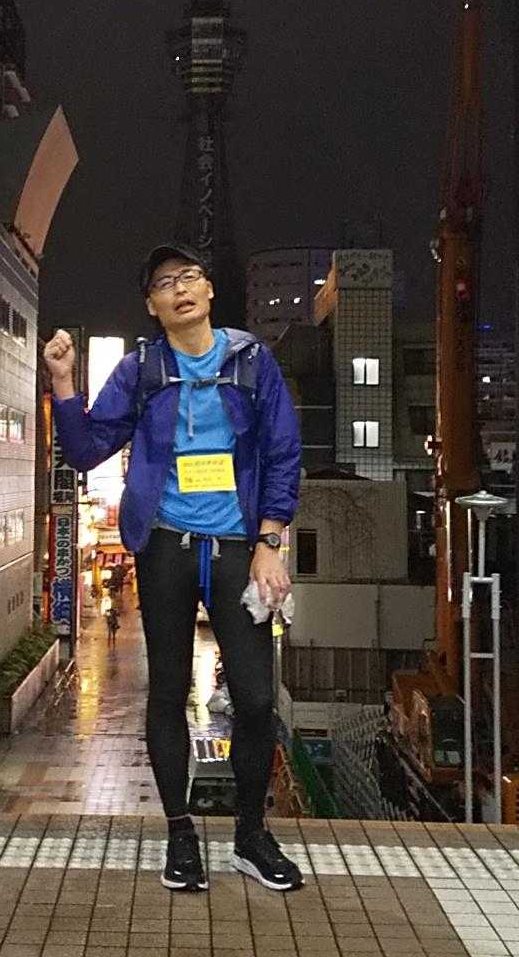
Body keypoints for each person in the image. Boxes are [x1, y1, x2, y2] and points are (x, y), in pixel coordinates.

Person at [45, 244, 305, 893]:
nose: (180, 289)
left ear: (209, 290)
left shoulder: (251, 361)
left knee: (255, 697)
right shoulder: (142, 370)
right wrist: (64, 383)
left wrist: (271, 539)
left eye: (189, 277)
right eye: (164, 283)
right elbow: (86, 449)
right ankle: (181, 834)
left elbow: (283, 451)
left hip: (239, 546)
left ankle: (251, 835)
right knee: (166, 691)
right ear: (152, 306)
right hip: (165, 546)